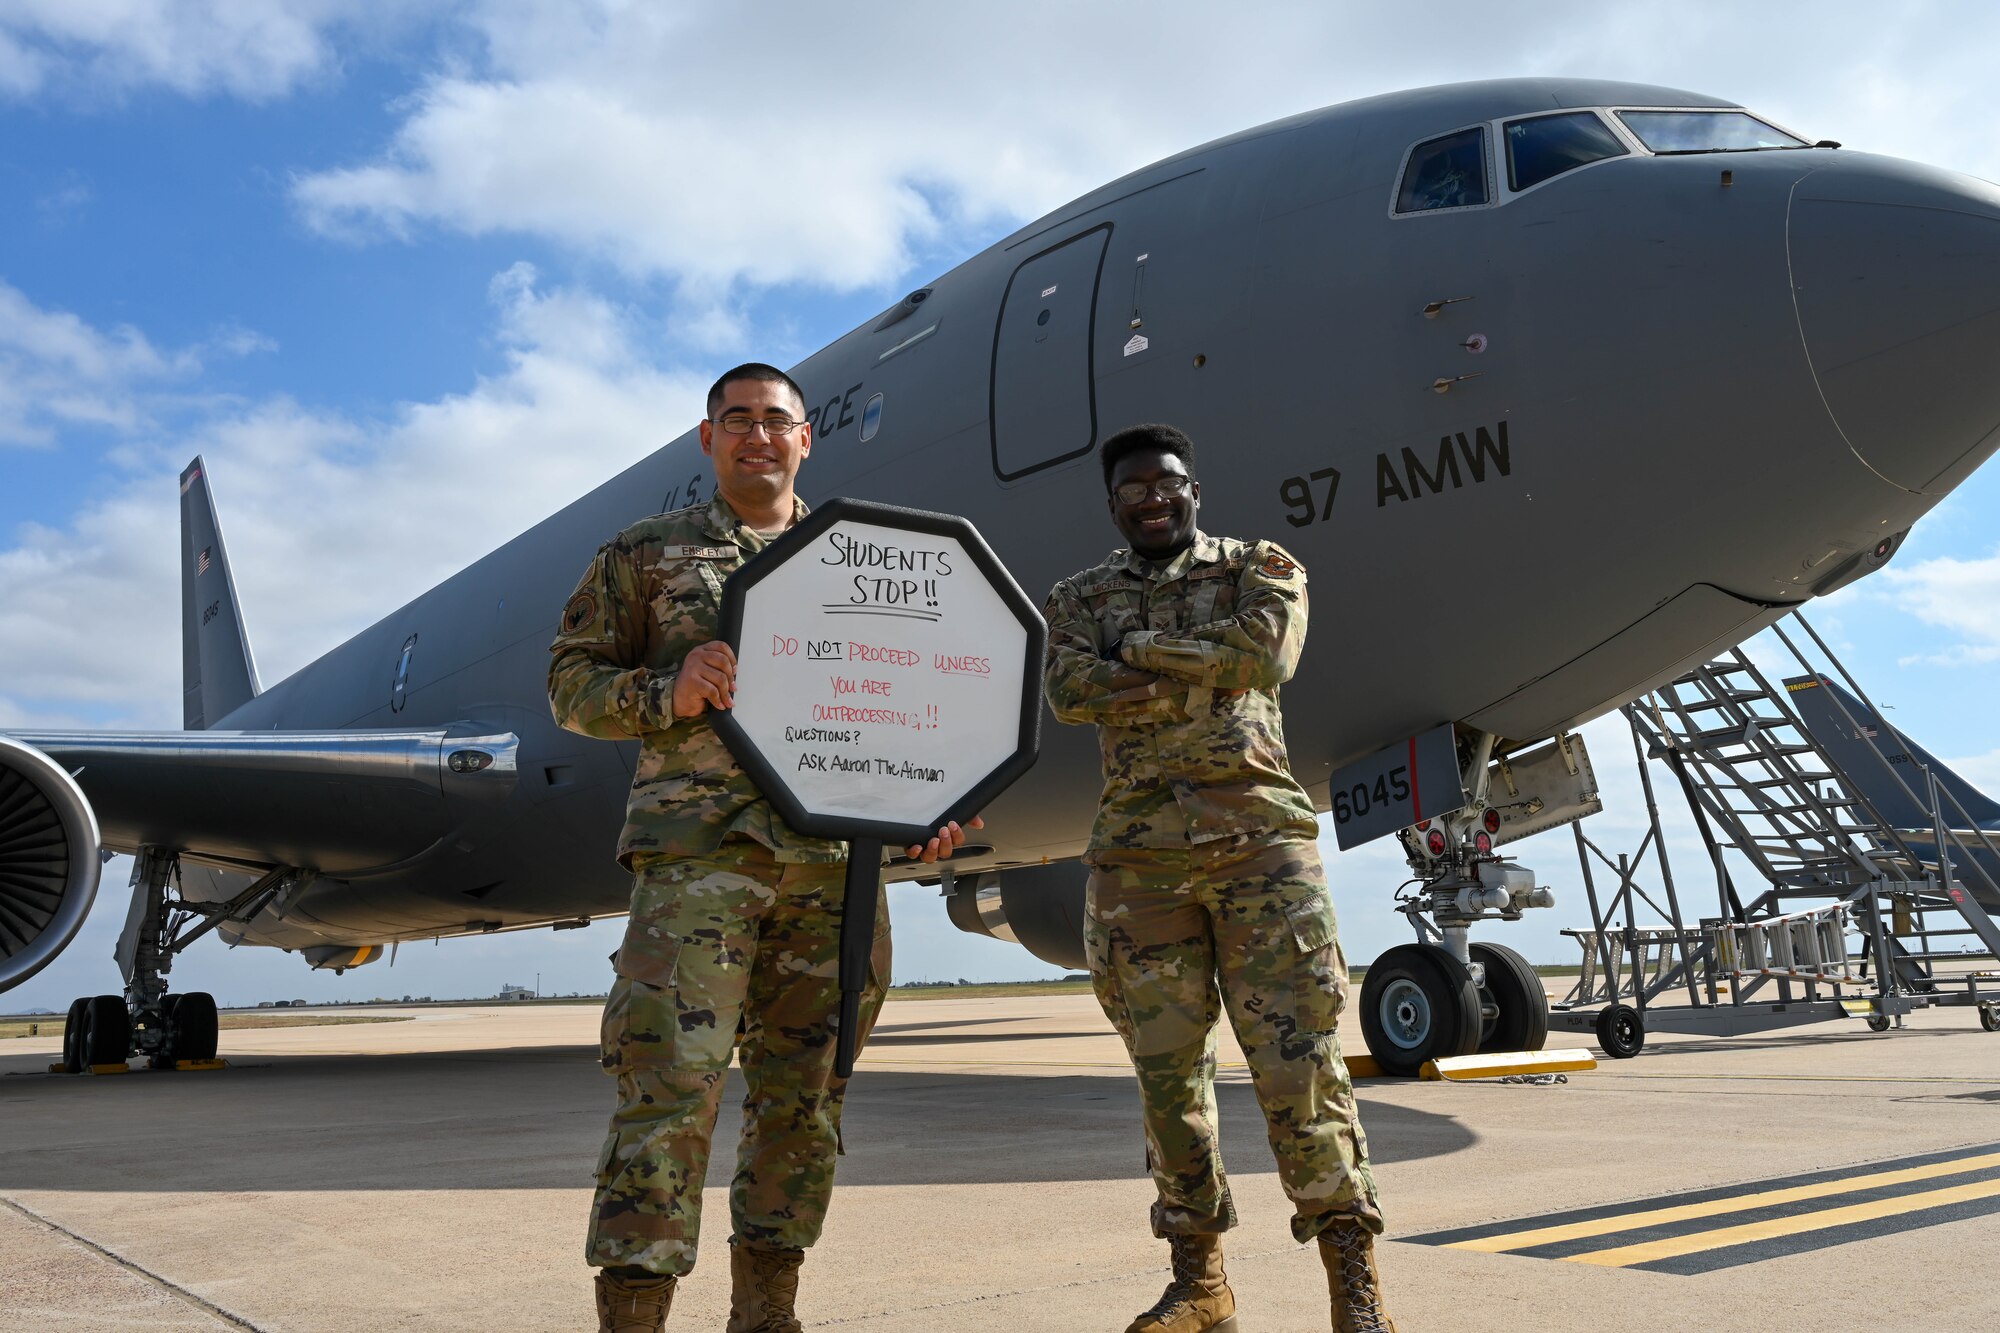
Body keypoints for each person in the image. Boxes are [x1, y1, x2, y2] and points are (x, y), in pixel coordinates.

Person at [549, 362, 977, 1333]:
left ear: (804, 437)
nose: (756, 436)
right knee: (668, 1097)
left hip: (835, 876)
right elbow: (569, 686)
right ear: (708, 440)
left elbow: (908, 707)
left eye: (774, 420)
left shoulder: (869, 567)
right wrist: (666, 689)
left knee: (806, 1104)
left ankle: (766, 1314)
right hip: (700, 865)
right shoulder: (645, 556)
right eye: (734, 421)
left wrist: (928, 799)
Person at [1041, 423, 1395, 1333]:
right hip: (1138, 864)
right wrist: (1201, 663)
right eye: (1132, 489)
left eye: (1166, 482)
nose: (1151, 497)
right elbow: (1070, 691)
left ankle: (1353, 1288)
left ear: (1193, 488)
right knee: (1168, 1081)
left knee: (1302, 1068)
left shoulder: (1261, 565)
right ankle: (1200, 1283)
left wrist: (1140, 656)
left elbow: (1265, 656)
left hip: (1259, 849)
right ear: (1114, 503)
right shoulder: (1077, 596)